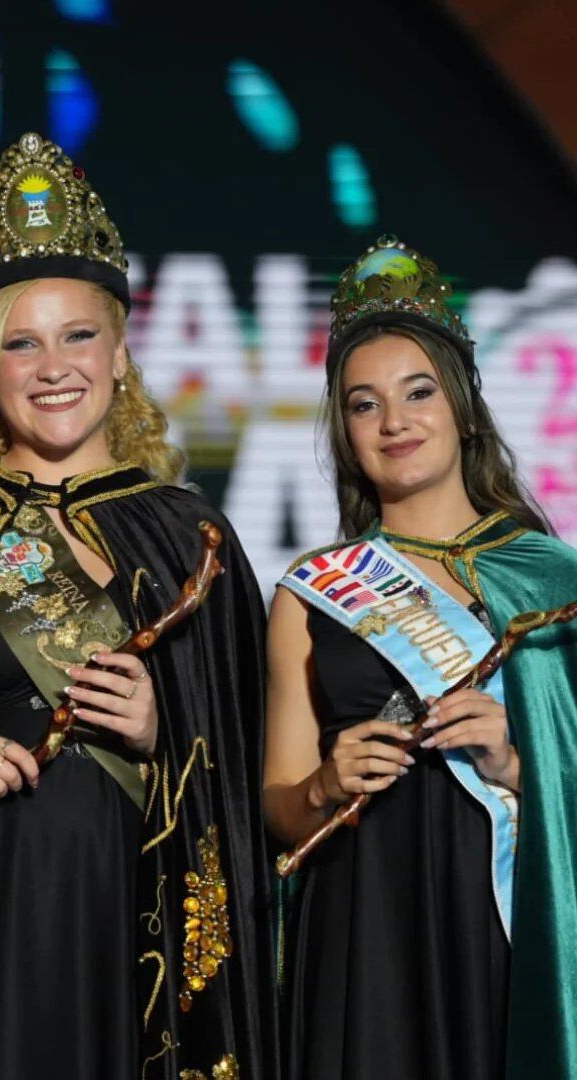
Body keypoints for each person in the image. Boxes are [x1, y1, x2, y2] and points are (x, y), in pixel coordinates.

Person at [0, 132, 279, 1080]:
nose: (54, 366)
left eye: (78, 335)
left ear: (120, 354)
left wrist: (170, 724)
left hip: (132, 921)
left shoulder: (188, 537)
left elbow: (259, 768)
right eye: (21, 343)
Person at [263, 235, 577, 1079]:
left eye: (417, 392)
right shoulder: (311, 590)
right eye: (364, 405)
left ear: (464, 404)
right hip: (367, 926)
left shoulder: (555, 581)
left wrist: (517, 761)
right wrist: (326, 784)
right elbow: (279, 803)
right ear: (345, 429)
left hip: (507, 922)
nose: (394, 421)